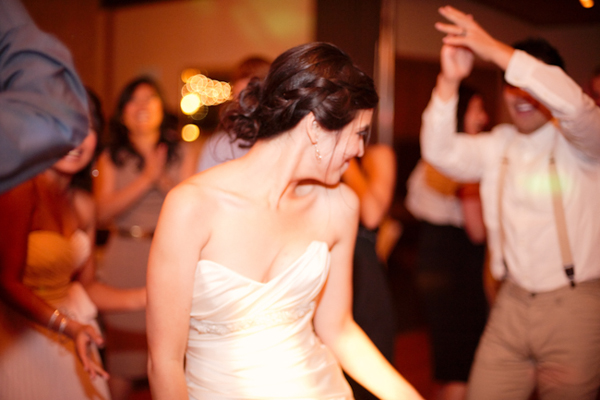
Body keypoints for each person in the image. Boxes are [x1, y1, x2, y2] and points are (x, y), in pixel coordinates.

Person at [147, 42, 424, 400]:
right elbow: (164, 361)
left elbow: (338, 328)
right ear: (315, 127)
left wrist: (407, 396)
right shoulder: (191, 206)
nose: (359, 151)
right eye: (359, 133)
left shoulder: (340, 205)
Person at [421, 6, 600, 400]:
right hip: (510, 304)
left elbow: (573, 105)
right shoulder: (498, 143)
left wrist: (492, 47)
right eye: (510, 84)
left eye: (529, 84)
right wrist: (449, 83)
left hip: (574, 306)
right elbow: (440, 152)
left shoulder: (585, 140)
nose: (518, 95)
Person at [0, 89, 146, 400]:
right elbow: (6, 281)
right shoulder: (21, 189)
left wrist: (147, 297)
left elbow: (87, 285)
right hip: (18, 338)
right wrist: (66, 326)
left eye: (86, 128)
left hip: (72, 334)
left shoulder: (82, 204)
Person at [93, 76, 192, 400]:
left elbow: (192, 205)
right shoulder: (110, 157)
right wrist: (145, 179)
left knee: (171, 354)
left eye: (149, 98)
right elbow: (101, 214)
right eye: (133, 100)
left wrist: (159, 177)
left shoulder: (182, 153)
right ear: (123, 114)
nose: (142, 106)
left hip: (169, 256)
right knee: (123, 358)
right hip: (124, 254)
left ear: (161, 109)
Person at [406, 84, 489, 400]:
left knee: (446, 359)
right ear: (460, 115)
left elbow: (414, 203)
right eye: (478, 110)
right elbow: (477, 231)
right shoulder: (464, 158)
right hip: (459, 268)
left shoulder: (432, 155)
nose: (484, 117)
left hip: (430, 258)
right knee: (462, 366)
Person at [0, 0, 89, 193]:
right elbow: (56, 120)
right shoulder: (20, 195)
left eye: (92, 127)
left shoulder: (81, 202)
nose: (81, 138)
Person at [341, 142, 399, 400]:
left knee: (369, 383)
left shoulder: (378, 154)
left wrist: (342, 155)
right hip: (323, 273)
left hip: (364, 276)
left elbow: (372, 214)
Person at [196, 56, 271, 172]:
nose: (243, 107)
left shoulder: (284, 141)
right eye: (238, 99)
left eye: (250, 98)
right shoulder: (219, 145)